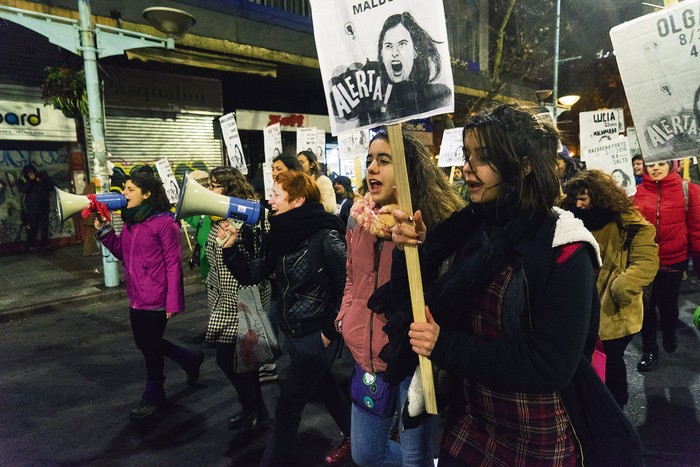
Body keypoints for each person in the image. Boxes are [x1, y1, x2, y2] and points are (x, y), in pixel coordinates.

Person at [386, 104, 642, 466]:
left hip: (535, 436)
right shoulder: (470, 228)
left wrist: (446, 345)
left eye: (484, 157)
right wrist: (413, 254)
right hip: (468, 424)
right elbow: (415, 306)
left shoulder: (565, 249)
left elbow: (551, 364)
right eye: (468, 154)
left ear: (523, 165)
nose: (467, 168)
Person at [337, 131, 463, 466]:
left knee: (413, 456)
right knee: (366, 454)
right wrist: (345, 317)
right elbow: (351, 276)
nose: (372, 168)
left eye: (384, 160)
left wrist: (424, 247)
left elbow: (450, 292)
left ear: (407, 170)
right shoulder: (356, 217)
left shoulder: (432, 221)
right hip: (367, 355)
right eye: (369, 160)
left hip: (412, 358)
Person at [219, 170, 351, 467]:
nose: (270, 200)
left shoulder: (325, 236)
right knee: (325, 387)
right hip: (294, 333)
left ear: (298, 199)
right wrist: (230, 249)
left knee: (288, 409)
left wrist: (329, 332)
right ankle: (354, 434)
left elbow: (351, 287)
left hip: (318, 335)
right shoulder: (280, 235)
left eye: (277, 194)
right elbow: (252, 274)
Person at [95, 170, 204, 420]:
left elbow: (173, 264)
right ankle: (189, 358)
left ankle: (154, 394)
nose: (124, 194)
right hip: (137, 296)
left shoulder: (166, 222)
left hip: (157, 296)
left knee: (150, 347)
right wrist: (105, 232)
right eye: (125, 189)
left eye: (130, 189)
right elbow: (124, 252)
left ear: (147, 194)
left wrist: (173, 301)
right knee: (145, 343)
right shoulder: (132, 221)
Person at [561, 169, 658, 407]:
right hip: (578, 304)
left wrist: (623, 287)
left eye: (584, 198)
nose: (579, 203)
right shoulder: (567, 219)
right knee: (582, 359)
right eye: (575, 198)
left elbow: (646, 259)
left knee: (611, 358)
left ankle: (616, 404)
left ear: (600, 196)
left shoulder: (629, 223)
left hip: (613, 309)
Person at [203, 167, 272, 435]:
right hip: (223, 296)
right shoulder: (219, 216)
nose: (210, 190)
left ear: (230, 189)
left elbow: (257, 261)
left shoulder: (251, 216)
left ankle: (252, 408)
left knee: (227, 358)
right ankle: (255, 409)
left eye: (215, 185)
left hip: (244, 298)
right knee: (246, 360)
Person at [634, 159, 700, 370]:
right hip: (644, 260)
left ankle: (670, 330)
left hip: (674, 259)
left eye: (660, 163)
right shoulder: (635, 192)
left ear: (672, 165)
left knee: (668, 304)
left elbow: (696, 228)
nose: (655, 168)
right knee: (646, 306)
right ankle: (650, 349)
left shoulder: (688, 190)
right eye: (650, 164)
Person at [375, 12, 451, 121]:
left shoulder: (439, 96)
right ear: (382, 55)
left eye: (402, 44)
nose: (394, 52)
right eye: (388, 46)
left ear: (415, 51)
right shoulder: (377, 105)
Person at [17, 164, 54, 253]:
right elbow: (24, 190)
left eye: (32, 172)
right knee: (33, 227)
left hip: (44, 206)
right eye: (29, 173)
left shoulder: (41, 178)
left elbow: (51, 187)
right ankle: (32, 245)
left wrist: (40, 181)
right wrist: (31, 180)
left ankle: (45, 245)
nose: (31, 174)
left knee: (44, 227)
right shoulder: (23, 181)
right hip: (32, 208)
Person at [183, 170, 211, 281]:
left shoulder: (214, 211)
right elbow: (196, 222)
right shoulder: (202, 210)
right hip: (207, 270)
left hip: (214, 271)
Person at [81, 181, 100, 256]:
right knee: (91, 233)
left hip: (88, 214)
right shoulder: (94, 188)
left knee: (91, 232)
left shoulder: (88, 187)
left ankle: (91, 250)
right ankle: (88, 251)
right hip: (92, 215)